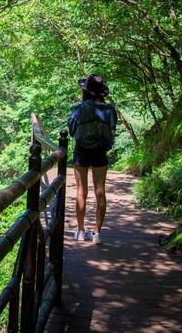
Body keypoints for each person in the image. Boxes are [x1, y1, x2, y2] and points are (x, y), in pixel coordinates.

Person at [67, 74, 117, 244]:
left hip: (81, 151)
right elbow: (112, 129)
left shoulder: (79, 109)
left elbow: (71, 128)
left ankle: (80, 231)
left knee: (82, 192)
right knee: (100, 192)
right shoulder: (110, 109)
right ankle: (97, 234)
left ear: (85, 92)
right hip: (100, 152)